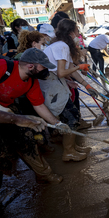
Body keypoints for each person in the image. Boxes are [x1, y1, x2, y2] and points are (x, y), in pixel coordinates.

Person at [0, 48, 72, 184]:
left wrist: (57, 123)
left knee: (27, 138)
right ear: (30, 66)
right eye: (43, 67)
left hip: (8, 108)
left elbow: (39, 105)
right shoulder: (3, 67)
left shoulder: (32, 81)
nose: (45, 71)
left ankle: (44, 174)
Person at [40, 19, 99, 162]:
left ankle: (72, 147)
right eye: (77, 31)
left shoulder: (60, 45)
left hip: (56, 83)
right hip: (52, 84)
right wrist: (80, 67)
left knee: (71, 115)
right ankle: (68, 152)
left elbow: (70, 69)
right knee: (71, 118)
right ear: (72, 32)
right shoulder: (61, 46)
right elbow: (62, 72)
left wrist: (87, 85)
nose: (78, 35)